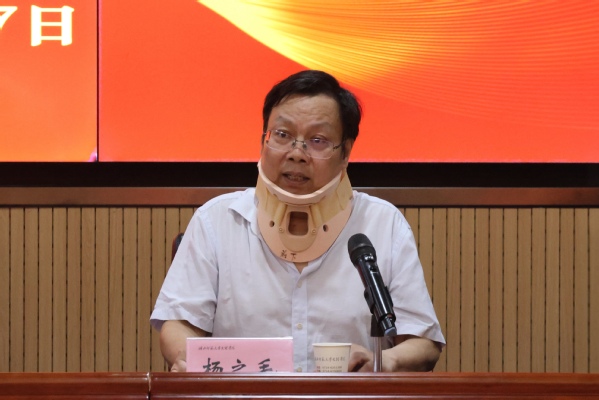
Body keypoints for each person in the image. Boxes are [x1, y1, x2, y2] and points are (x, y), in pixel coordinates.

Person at [150, 70, 445, 373]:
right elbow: (178, 324)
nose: (297, 154)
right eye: (282, 135)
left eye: (317, 140)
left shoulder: (383, 224)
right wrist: (188, 360)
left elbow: (422, 342)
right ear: (262, 139)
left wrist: (383, 361)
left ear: (346, 152)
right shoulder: (217, 221)